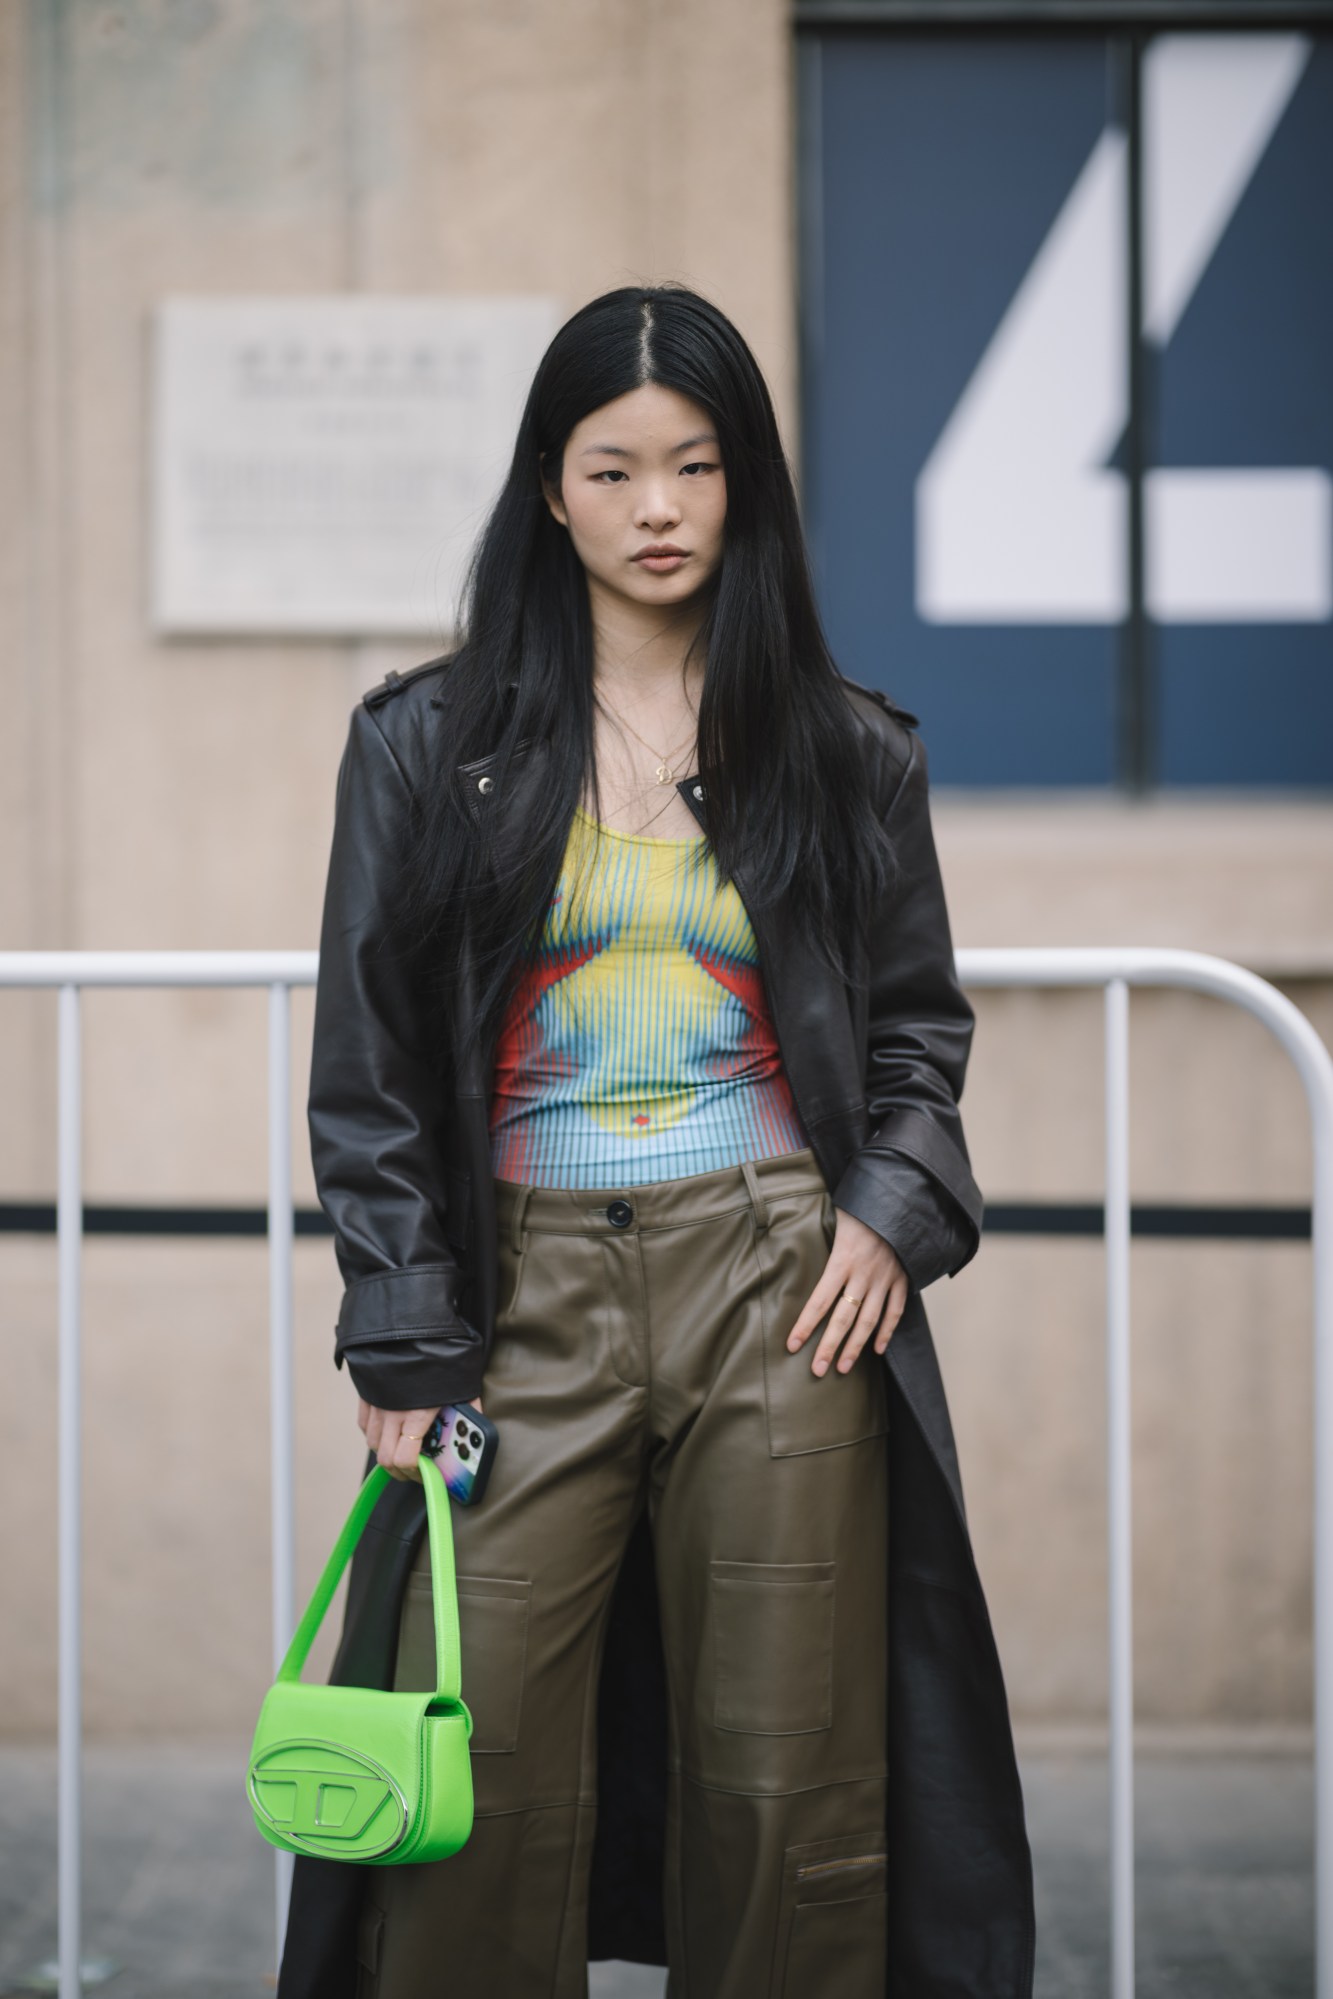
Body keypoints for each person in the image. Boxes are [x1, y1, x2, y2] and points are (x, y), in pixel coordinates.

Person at [281, 285, 1034, 1999]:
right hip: (518, 1292)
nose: (658, 510)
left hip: (779, 1284)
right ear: (549, 488)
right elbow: (373, 1063)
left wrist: (886, 1212)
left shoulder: (840, 749)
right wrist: (402, 1317)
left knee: (792, 1776)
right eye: (613, 470)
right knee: (473, 1765)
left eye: (694, 466)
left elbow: (917, 1034)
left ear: (743, 482)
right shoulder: (425, 746)